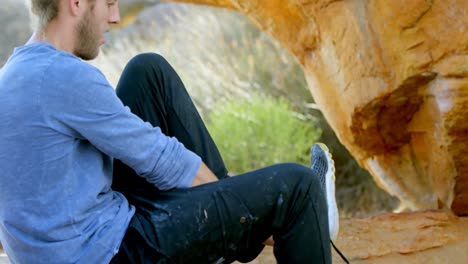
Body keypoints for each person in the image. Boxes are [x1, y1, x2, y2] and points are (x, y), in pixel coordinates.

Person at [0, 0, 345, 263]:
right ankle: (290, 218)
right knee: (297, 186)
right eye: (107, 3)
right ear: (75, 3)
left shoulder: (16, 72)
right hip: (107, 254)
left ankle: (258, 223)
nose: (115, 16)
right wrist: (240, 207)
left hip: (69, 241)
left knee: (148, 72)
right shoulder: (64, 76)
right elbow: (160, 157)